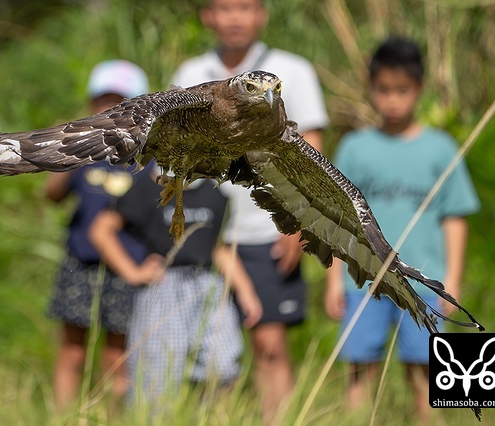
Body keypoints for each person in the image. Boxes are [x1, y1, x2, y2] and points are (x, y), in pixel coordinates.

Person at [170, 0, 329, 421]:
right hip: (205, 232)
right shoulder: (190, 74)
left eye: (245, 6)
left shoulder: (291, 71)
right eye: (224, 7)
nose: (235, 17)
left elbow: (310, 148)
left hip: (265, 228)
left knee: (270, 346)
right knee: (203, 351)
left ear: (263, 14)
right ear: (207, 15)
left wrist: (299, 222)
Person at [323, 36, 480, 423]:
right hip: (364, 281)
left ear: (419, 89)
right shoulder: (354, 148)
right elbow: (337, 220)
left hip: (425, 282)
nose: (392, 100)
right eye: (383, 90)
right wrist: (332, 282)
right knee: (359, 370)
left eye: (402, 90)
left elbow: (455, 217)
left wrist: (453, 280)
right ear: (371, 88)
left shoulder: (441, 148)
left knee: (429, 373)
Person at [90, 165, 262, 406]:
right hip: (165, 286)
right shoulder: (147, 188)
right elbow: (101, 230)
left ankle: (205, 417)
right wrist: (132, 272)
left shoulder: (213, 192)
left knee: (224, 366)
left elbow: (218, 247)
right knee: (158, 375)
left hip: (208, 285)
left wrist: (246, 291)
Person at [46, 59, 151, 410]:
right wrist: (65, 153)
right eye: (103, 101)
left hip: (127, 264)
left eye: (120, 102)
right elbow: (53, 195)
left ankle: (112, 415)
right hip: (81, 261)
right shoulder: (81, 149)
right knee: (72, 347)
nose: (110, 110)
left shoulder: (147, 157)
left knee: (117, 353)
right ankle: (63, 415)